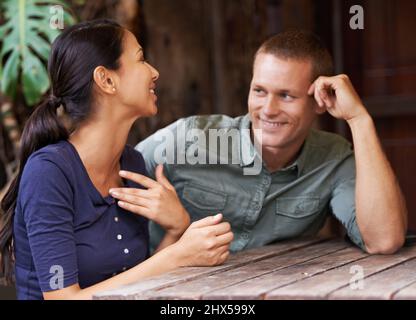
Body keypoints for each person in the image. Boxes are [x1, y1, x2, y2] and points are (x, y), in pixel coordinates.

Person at [111, 29, 407, 255]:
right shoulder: (187, 139)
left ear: (319, 101)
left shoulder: (333, 159)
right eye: (260, 91)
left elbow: (384, 240)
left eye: (286, 96)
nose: (268, 109)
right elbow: (104, 189)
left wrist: (359, 120)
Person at [0, 19, 233, 300]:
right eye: (141, 60)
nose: (154, 72)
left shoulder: (131, 164)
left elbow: (136, 283)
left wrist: (176, 228)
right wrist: (177, 256)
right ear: (107, 80)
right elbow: (63, 299)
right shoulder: (49, 173)